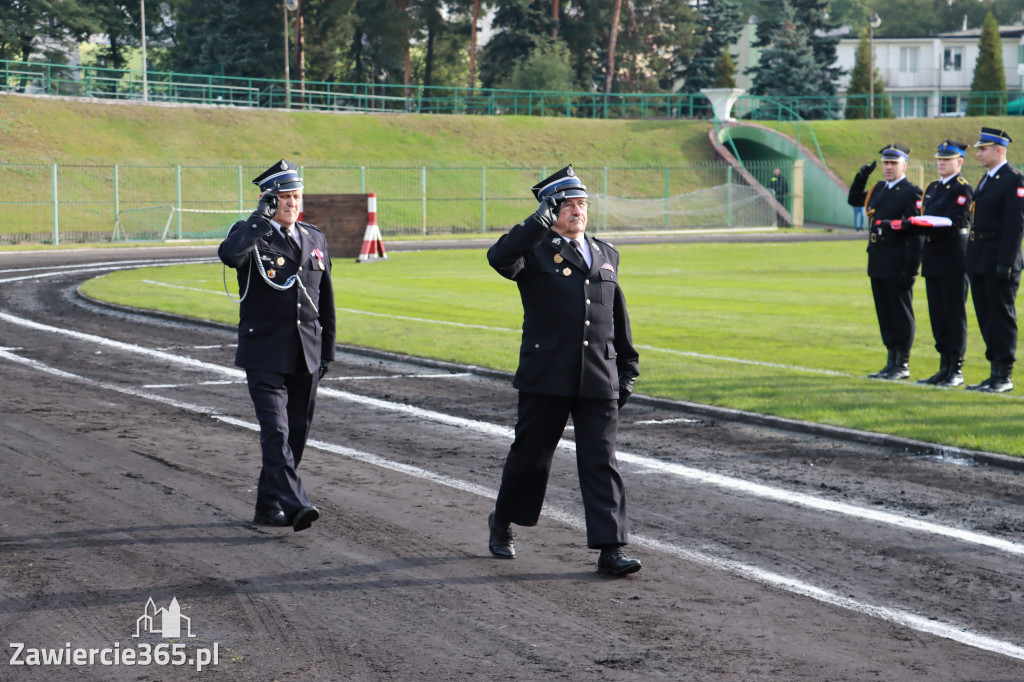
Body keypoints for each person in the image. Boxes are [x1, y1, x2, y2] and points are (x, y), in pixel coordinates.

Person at [485, 165, 642, 577]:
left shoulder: (606, 253)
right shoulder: (532, 250)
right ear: (550, 209)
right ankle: (502, 521)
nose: (578, 210)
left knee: (600, 461)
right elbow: (498, 258)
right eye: (569, 203)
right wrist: (534, 224)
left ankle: (611, 549)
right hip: (547, 374)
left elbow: (615, 314)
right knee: (531, 459)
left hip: (598, 374)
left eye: (583, 203)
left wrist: (627, 367)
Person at [218, 160, 335, 531]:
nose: (292, 204)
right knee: (277, 434)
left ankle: (267, 506)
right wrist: (258, 217)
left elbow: (325, 299)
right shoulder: (250, 234)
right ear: (268, 199)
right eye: (284, 197)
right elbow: (229, 256)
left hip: (306, 351)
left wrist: (327, 350)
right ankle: (296, 503)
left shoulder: (313, 237)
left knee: (297, 435)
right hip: (265, 352)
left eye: (296, 196)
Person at [847, 144, 924, 380]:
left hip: (897, 261)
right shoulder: (879, 188)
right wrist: (861, 177)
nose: (888, 168)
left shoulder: (911, 192)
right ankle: (891, 360)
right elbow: (854, 200)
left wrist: (911, 269)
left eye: (893, 163)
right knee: (885, 313)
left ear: (904, 166)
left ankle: (903, 362)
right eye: (885, 163)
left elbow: (916, 233)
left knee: (900, 312)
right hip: (878, 260)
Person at [965, 127, 1024, 393]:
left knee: (1001, 317)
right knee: (986, 317)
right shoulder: (987, 179)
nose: (978, 153)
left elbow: (1015, 225)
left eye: (983, 149)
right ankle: (993, 372)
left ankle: (1004, 374)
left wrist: (1006, 262)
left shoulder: (1013, 180)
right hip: (980, 259)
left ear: (999, 150)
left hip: (999, 260)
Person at [910, 140, 973, 388]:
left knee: (953, 313)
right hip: (933, 256)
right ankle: (943, 366)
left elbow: (958, 220)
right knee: (938, 313)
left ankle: (956, 368)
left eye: (946, 160)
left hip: (954, 257)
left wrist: (930, 222)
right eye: (939, 159)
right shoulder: (933, 187)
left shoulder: (963, 188)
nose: (941, 163)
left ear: (959, 162)